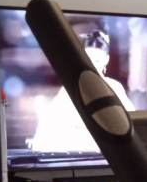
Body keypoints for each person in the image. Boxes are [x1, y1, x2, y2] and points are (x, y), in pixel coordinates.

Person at [29, 20, 134, 152]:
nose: (93, 65)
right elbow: (51, 126)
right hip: (76, 145)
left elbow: (131, 122)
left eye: (97, 60)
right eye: (90, 60)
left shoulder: (114, 87)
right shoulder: (70, 88)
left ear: (106, 60)